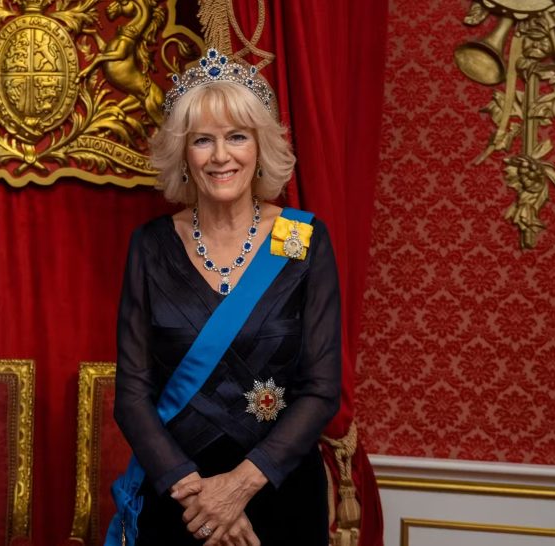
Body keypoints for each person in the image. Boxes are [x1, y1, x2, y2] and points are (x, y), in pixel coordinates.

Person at [110, 48, 341, 546]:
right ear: (183, 154)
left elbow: (321, 389)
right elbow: (131, 394)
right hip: (179, 497)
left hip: (279, 491)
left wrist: (238, 487)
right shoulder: (151, 246)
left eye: (237, 137)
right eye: (203, 141)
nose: (220, 156)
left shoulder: (300, 239)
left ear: (260, 147)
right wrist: (194, 493)